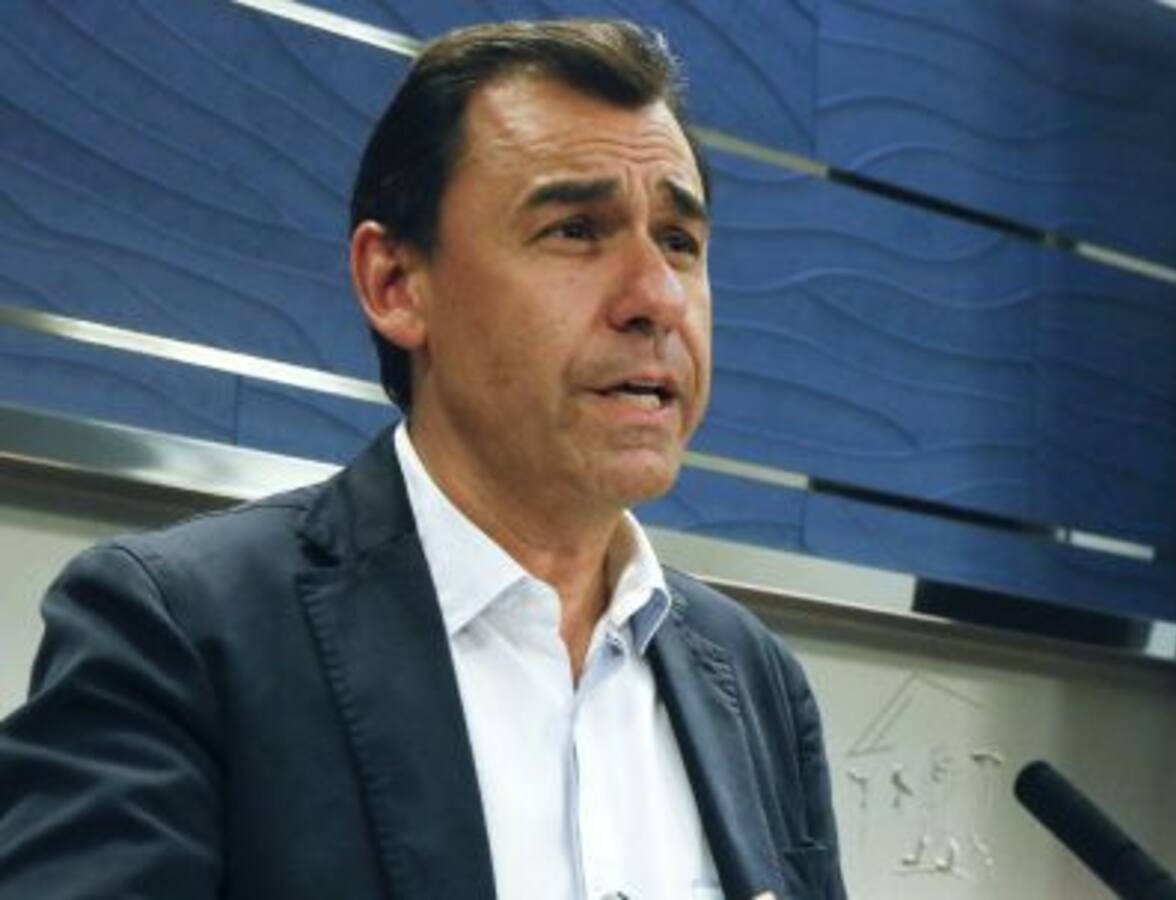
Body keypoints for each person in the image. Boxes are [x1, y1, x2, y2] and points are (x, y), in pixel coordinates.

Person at [0, 19, 844, 900]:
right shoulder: (185, 634)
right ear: (395, 284)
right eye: (575, 229)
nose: (657, 298)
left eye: (679, 242)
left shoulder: (756, 682)